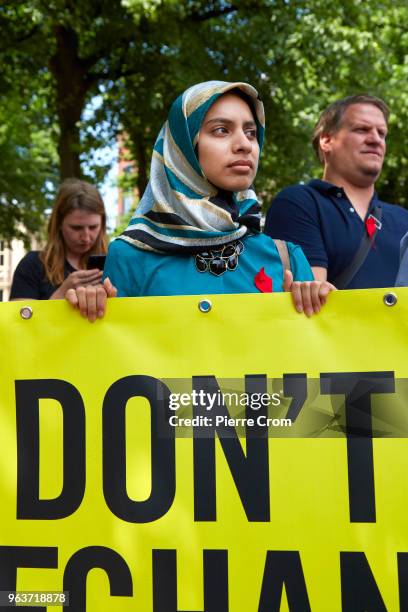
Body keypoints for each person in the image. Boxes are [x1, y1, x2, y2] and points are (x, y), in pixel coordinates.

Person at [66, 80, 334, 320]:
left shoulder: (286, 259)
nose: (244, 144)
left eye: (251, 133)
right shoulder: (130, 257)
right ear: (183, 148)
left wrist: (324, 308)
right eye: (221, 130)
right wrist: (85, 312)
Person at [264, 95, 408, 289]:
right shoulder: (298, 203)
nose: (376, 139)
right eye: (361, 129)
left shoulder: (403, 219)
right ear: (326, 140)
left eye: (382, 133)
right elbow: (311, 306)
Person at [10, 178, 108, 300]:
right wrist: (62, 294)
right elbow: (19, 318)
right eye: (76, 228)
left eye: (93, 227)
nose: (86, 237)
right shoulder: (32, 265)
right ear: (59, 224)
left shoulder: (115, 264)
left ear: (102, 224)